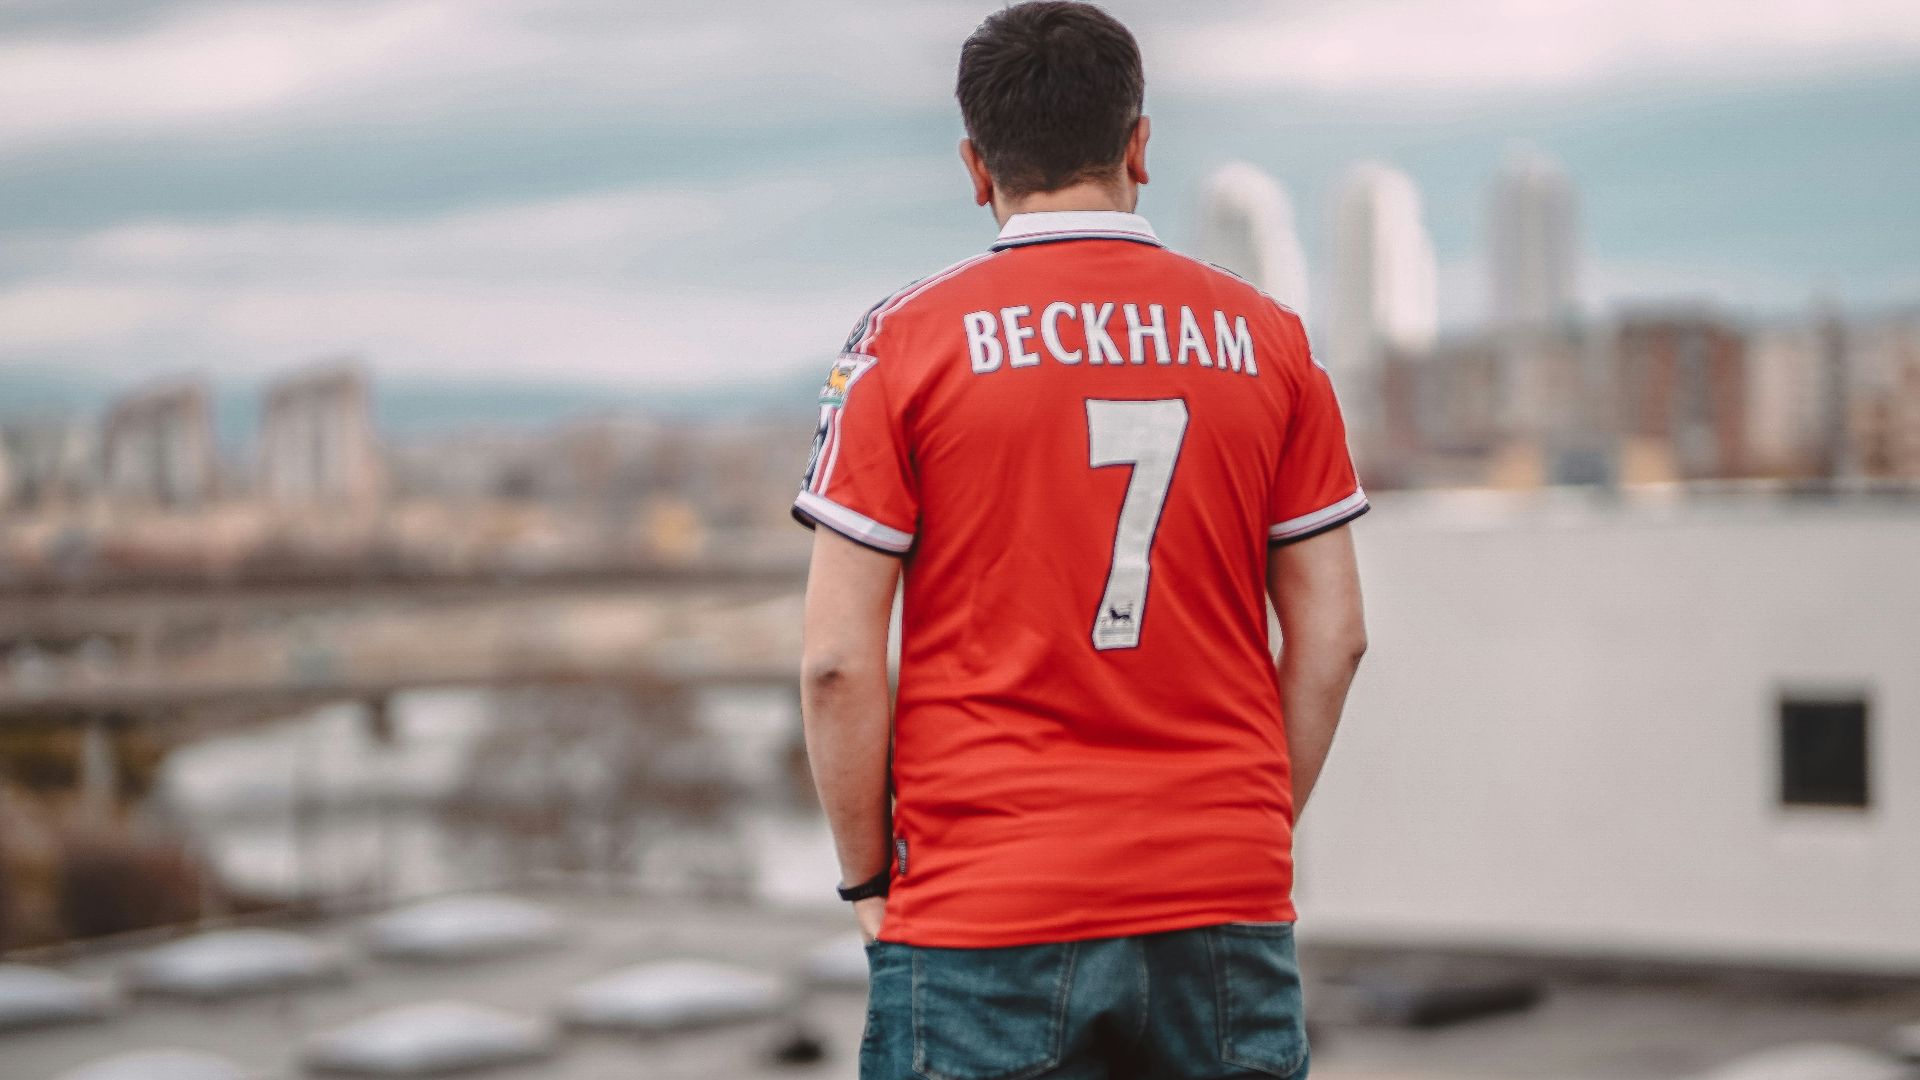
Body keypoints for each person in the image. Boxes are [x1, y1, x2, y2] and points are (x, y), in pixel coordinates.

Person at [793, 3, 1368, 1077]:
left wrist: (871, 885)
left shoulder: (902, 343)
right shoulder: (1275, 340)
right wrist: (1233, 839)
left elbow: (834, 664)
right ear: (1140, 145)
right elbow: (1333, 640)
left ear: (976, 165)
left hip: (984, 910)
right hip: (1224, 906)